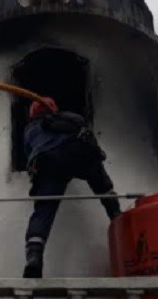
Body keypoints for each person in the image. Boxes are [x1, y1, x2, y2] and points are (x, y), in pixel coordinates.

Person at [22, 97, 122, 278]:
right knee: (98, 178)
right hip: (76, 151)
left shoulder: (29, 131)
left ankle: (34, 257)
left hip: (49, 161)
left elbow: (29, 154)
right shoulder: (67, 118)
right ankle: (116, 216)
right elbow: (81, 124)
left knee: (44, 209)